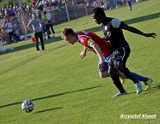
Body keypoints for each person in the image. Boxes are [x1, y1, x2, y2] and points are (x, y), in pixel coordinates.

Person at [61, 28, 152, 98]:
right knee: (103, 74)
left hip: (107, 52)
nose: (67, 42)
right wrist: (84, 51)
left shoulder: (82, 39)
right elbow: (91, 37)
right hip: (103, 53)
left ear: (70, 36)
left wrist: (100, 59)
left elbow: (94, 44)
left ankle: (145, 80)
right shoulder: (79, 34)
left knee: (122, 74)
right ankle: (120, 79)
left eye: (67, 40)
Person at [91, 7, 156, 97]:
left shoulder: (113, 22)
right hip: (114, 51)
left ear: (100, 15)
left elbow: (128, 28)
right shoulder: (102, 26)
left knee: (119, 65)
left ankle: (136, 82)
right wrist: (98, 43)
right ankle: (122, 91)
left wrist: (145, 34)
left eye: (94, 18)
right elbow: (107, 37)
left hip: (123, 48)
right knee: (111, 72)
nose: (94, 20)